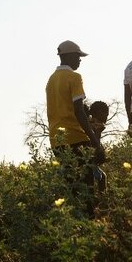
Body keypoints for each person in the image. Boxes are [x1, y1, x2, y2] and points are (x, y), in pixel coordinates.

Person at [46, 40, 104, 216]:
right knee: (87, 188)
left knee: (72, 188)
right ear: (69, 56)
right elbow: (79, 111)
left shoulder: (51, 80)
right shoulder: (74, 77)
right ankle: (90, 225)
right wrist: (95, 142)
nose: (80, 60)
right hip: (76, 137)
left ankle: (75, 228)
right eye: (78, 56)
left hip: (57, 140)